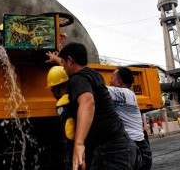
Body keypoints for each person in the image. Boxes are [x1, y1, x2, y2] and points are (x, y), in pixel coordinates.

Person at [57, 42, 138, 170]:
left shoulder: (77, 79)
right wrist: (57, 58)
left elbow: (88, 103)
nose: (63, 68)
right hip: (123, 146)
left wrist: (79, 144)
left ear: (70, 60)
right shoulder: (93, 74)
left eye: (63, 63)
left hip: (112, 151)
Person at [107, 67, 152, 170]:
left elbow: (99, 88)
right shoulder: (129, 94)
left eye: (111, 78)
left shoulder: (123, 93)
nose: (109, 81)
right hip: (140, 146)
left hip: (134, 146)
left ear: (119, 82)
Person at [47, 66, 75, 170]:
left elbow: (70, 133)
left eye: (52, 89)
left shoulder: (62, 103)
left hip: (74, 152)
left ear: (56, 88)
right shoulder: (77, 95)